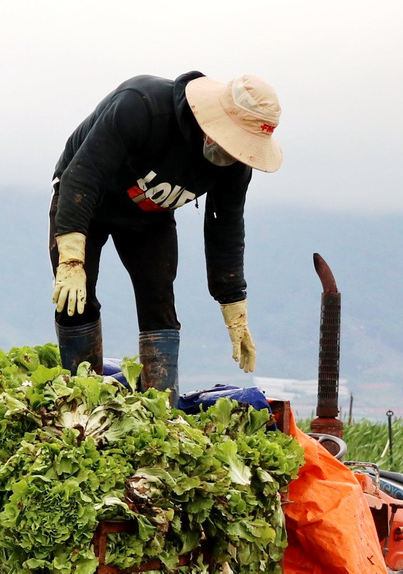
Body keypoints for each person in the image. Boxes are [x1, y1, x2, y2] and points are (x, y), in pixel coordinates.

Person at [49, 71, 282, 394]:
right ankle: (78, 397)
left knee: (159, 306)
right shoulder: (141, 106)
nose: (231, 155)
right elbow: (82, 175)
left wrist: (233, 305)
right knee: (75, 299)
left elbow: (225, 227)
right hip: (87, 202)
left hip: (150, 218)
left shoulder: (235, 165)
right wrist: (72, 258)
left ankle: (161, 410)